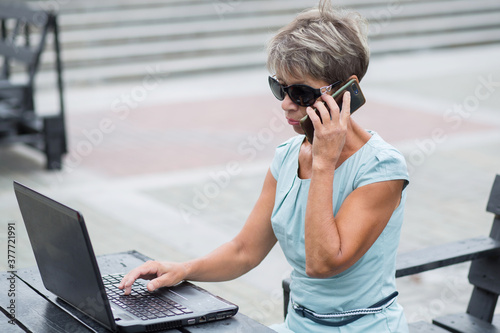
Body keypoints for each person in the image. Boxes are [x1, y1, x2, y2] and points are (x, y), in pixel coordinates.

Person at [119, 0, 410, 331]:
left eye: (300, 92)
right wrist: (184, 269)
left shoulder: (381, 168)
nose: (285, 104)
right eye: (280, 88)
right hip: (298, 324)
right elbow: (245, 250)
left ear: (345, 92)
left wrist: (324, 163)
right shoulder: (288, 155)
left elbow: (322, 263)